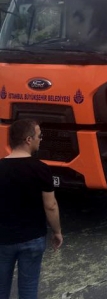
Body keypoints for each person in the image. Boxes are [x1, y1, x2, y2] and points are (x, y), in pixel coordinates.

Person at [0, 119, 63, 299]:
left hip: (3, 239)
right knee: (28, 289)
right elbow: (50, 206)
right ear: (28, 139)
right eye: (39, 136)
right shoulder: (41, 169)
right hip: (32, 238)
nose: (40, 139)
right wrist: (57, 231)